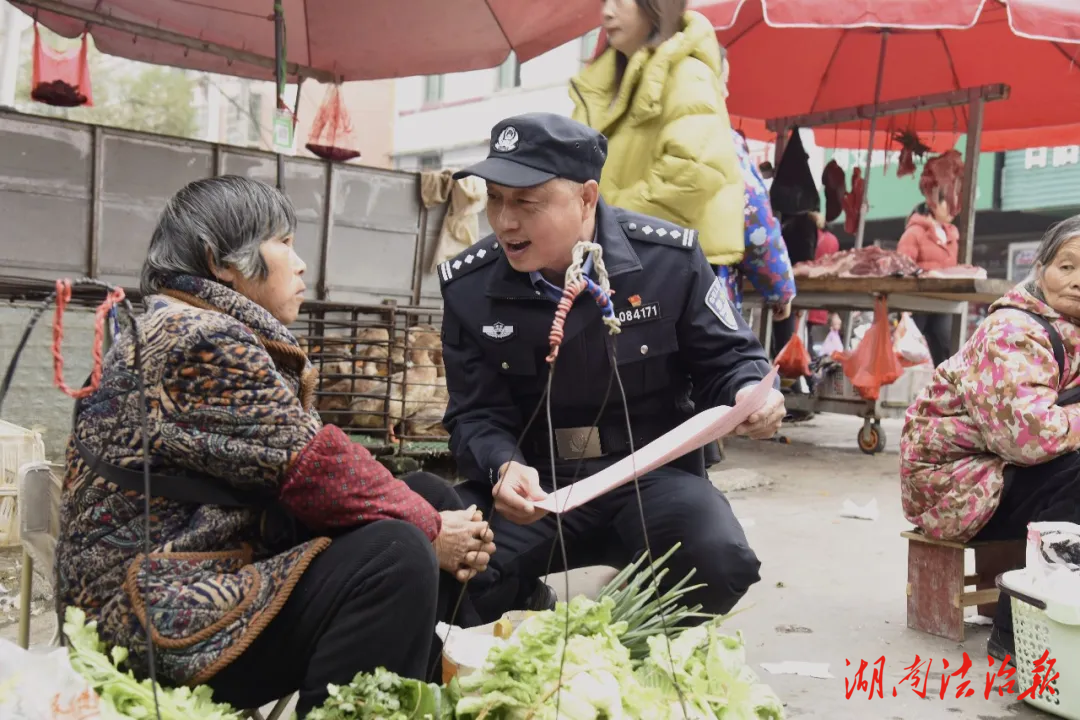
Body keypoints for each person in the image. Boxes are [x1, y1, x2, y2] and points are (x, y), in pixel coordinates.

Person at [55, 176, 494, 717]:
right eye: (283, 244)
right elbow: (315, 467)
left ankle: (440, 686)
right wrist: (430, 531)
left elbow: (303, 461)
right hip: (148, 614)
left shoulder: (187, 321)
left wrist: (433, 520)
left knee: (429, 493)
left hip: (198, 561)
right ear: (222, 264)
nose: (300, 263)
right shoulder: (198, 339)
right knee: (397, 555)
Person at [437, 112, 785, 624]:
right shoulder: (470, 287)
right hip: (538, 484)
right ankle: (524, 601)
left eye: (526, 203)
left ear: (586, 198)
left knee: (720, 560)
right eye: (495, 198)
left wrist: (751, 392)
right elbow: (474, 413)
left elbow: (729, 359)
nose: (504, 221)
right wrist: (503, 466)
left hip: (650, 477)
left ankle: (627, 644)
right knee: (448, 573)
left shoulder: (668, 260)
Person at [900, 215, 1080, 664]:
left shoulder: (1070, 329)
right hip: (951, 486)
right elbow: (1029, 440)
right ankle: (1018, 631)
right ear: (1040, 270)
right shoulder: (1013, 332)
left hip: (1001, 473)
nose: (1078, 282)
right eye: (1067, 266)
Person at [568, 0, 745, 273]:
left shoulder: (688, 74)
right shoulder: (600, 84)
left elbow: (693, 171)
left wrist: (605, 217)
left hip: (669, 265)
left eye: (619, 1)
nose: (607, 12)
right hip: (622, 255)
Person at [896, 187, 960, 367]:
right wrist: (904, 312)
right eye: (948, 202)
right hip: (917, 302)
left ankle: (948, 392)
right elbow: (902, 267)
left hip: (943, 301)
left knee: (947, 354)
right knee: (904, 353)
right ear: (934, 203)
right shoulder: (914, 233)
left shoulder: (952, 235)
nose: (953, 208)